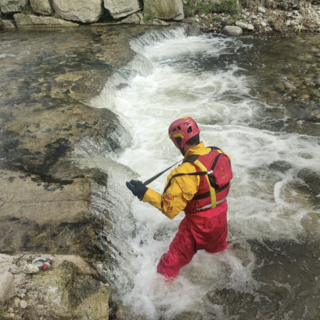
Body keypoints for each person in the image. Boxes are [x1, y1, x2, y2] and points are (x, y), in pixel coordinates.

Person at [126, 117, 233, 278]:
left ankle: (161, 299)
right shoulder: (220, 154)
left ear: (179, 142)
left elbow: (169, 209)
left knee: (168, 266)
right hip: (220, 218)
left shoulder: (184, 173)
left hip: (197, 226)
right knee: (218, 251)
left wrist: (144, 193)